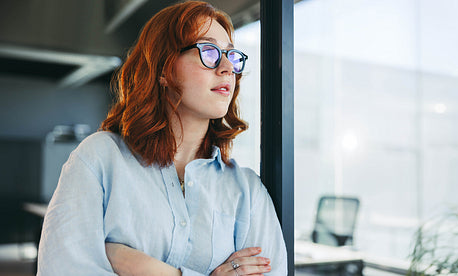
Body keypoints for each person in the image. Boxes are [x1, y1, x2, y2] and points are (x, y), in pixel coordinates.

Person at [36, 1, 287, 275]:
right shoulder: (99, 159)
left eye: (232, 55)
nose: (227, 67)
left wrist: (154, 271)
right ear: (163, 69)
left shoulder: (248, 191)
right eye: (210, 52)